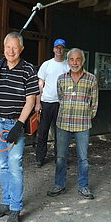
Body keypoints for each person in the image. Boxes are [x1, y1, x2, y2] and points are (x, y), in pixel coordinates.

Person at [0, 32, 39, 222]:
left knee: (15, 165)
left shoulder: (28, 70)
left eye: (15, 47)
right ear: (4, 47)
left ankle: (16, 208)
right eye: (8, 47)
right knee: (2, 165)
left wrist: (19, 125)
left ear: (21, 49)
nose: (11, 51)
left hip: (15, 123)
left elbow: (31, 100)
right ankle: (6, 202)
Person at [46, 48, 98, 199]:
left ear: (83, 61)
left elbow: (94, 103)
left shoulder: (91, 79)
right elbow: (60, 98)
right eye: (71, 59)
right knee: (61, 157)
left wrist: (86, 116)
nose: (75, 63)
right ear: (67, 61)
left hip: (83, 125)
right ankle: (59, 185)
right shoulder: (61, 79)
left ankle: (83, 186)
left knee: (84, 158)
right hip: (63, 124)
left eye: (78, 59)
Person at [34, 38, 69, 167]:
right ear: (54, 49)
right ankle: (40, 158)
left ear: (64, 50)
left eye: (61, 48)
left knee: (60, 133)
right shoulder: (46, 64)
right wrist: (38, 103)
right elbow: (40, 84)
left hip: (61, 104)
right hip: (46, 102)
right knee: (42, 131)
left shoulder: (68, 66)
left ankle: (59, 158)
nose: (59, 50)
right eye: (57, 47)